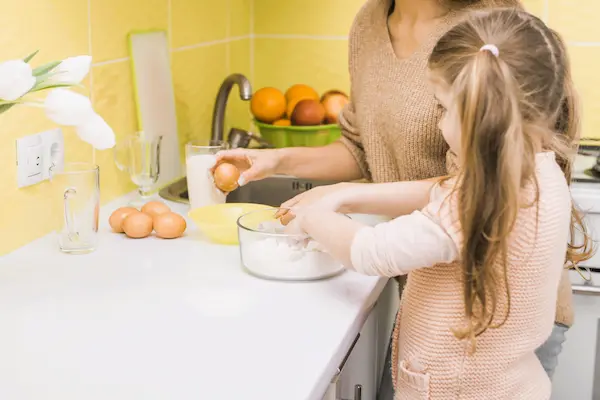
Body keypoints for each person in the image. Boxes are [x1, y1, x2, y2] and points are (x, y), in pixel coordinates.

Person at [215, 0, 574, 394]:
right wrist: (287, 164)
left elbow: (375, 251)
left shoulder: (485, 30)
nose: (440, 121)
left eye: (444, 109)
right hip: (459, 352)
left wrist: (318, 214)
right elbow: (365, 149)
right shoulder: (542, 174)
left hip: (461, 375)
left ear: (484, 116)